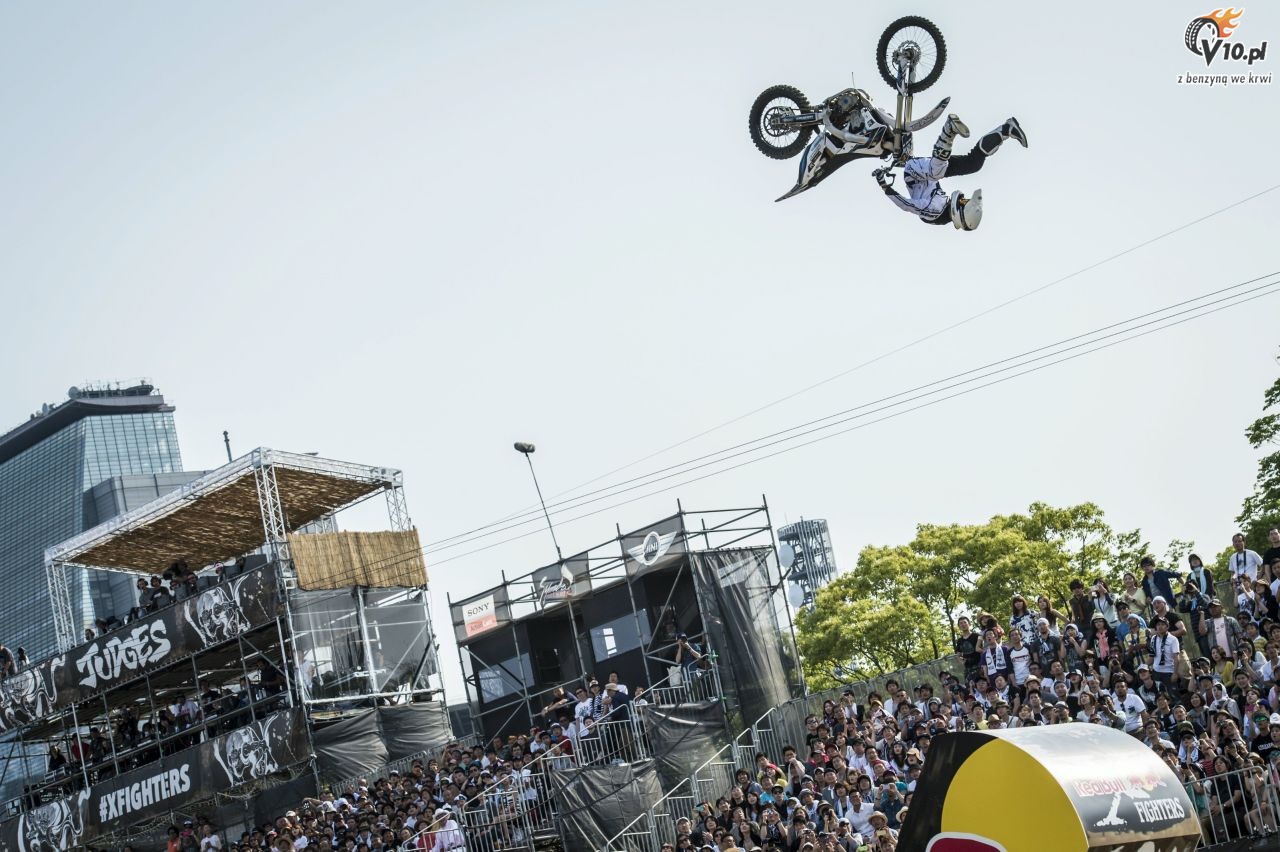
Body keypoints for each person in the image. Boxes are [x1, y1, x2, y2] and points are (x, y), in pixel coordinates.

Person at [872, 113, 1027, 229]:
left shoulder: (934, 210)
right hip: (928, 171)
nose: (962, 198)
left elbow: (907, 205)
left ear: (960, 211)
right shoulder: (944, 206)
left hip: (914, 172)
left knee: (936, 172)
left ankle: (948, 130)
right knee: (973, 164)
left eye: (964, 202)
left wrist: (884, 186)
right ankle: (1006, 129)